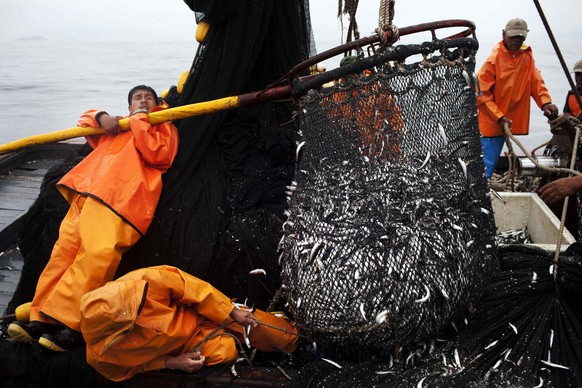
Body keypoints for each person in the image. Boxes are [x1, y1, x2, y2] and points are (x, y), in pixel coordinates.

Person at [8, 85, 179, 351]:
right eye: (137, 99)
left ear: (158, 104)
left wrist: (141, 120)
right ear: (129, 106)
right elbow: (85, 120)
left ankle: (74, 326)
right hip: (85, 196)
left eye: (149, 98)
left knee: (95, 259)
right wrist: (101, 116)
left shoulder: (161, 125)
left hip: (121, 202)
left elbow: (159, 155)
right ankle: (40, 318)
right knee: (62, 257)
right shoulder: (119, 126)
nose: (143, 101)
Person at [79, 265, 298, 382]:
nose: (140, 303)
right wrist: (171, 363)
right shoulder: (101, 355)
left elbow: (191, 289)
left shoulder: (140, 282)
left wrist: (230, 311)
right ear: (119, 331)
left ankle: (290, 339)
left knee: (275, 332)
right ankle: (249, 351)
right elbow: (130, 369)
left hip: (203, 315)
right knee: (226, 351)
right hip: (184, 346)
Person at [477, 18, 559, 179]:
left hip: (507, 122)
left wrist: (545, 102)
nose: (516, 41)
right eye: (513, 37)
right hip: (490, 123)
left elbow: (536, 82)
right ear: (503, 34)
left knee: (489, 164)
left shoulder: (527, 57)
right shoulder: (493, 60)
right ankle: (477, 198)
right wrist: (498, 116)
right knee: (484, 166)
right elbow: (481, 94)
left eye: (520, 37)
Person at [539, 60, 582, 240]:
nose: (579, 79)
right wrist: (557, 119)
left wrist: (575, 183)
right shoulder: (572, 95)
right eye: (577, 75)